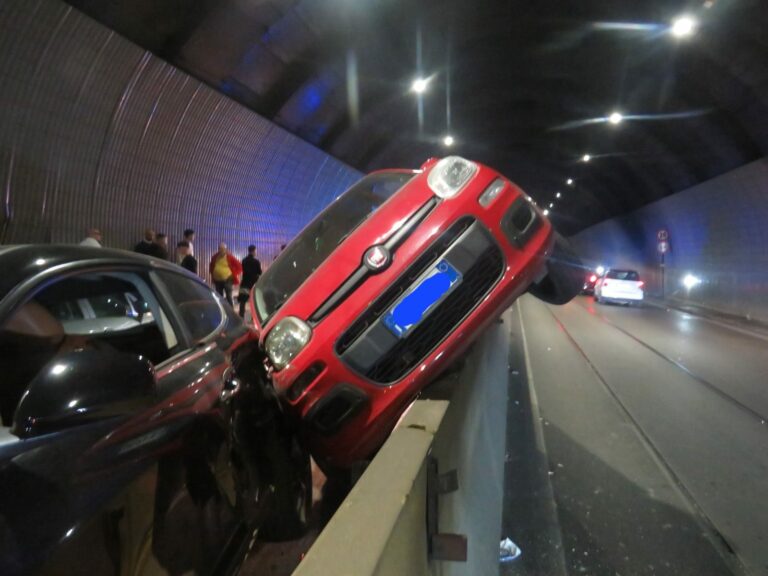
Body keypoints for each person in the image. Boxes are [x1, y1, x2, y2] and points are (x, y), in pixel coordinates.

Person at [238, 245, 262, 318]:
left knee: (243, 301)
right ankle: (253, 317)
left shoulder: (244, 260)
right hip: (253, 283)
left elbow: (243, 271)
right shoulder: (256, 261)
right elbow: (259, 272)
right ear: (254, 251)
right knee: (254, 301)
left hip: (245, 282)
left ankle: (241, 317)